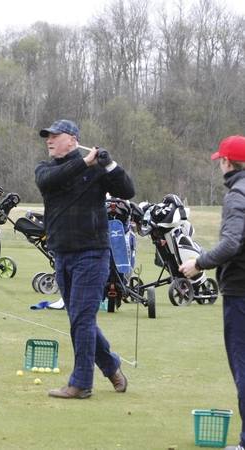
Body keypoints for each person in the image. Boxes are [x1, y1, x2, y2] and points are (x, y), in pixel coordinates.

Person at [35, 119, 135, 399]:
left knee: (81, 317)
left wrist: (110, 165)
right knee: (80, 318)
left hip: (92, 251)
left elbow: (127, 191)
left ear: (73, 139)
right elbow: (50, 181)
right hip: (61, 252)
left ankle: (80, 383)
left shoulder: (96, 170)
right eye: (48, 137)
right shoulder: (45, 169)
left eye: (56, 136)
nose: (49, 140)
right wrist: (86, 163)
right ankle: (111, 365)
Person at [179, 135, 245, 450]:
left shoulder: (236, 195)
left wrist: (199, 263)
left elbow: (231, 244)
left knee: (242, 364)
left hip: (241, 292)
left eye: (221, 159)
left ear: (226, 162)